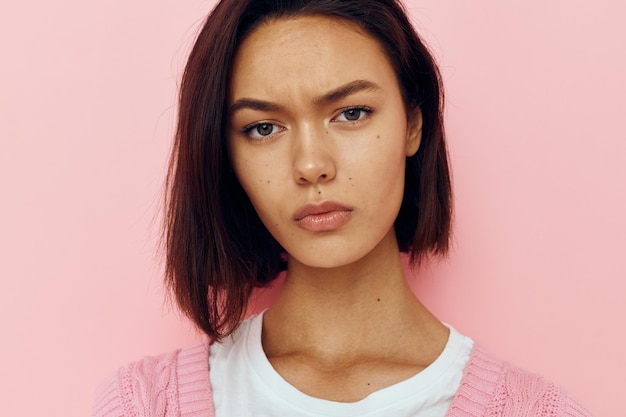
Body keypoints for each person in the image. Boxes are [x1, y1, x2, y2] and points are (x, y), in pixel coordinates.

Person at [92, 0, 592, 416]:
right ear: (226, 155)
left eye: (351, 113)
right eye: (263, 127)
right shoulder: (143, 403)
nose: (311, 165)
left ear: (412, 124)